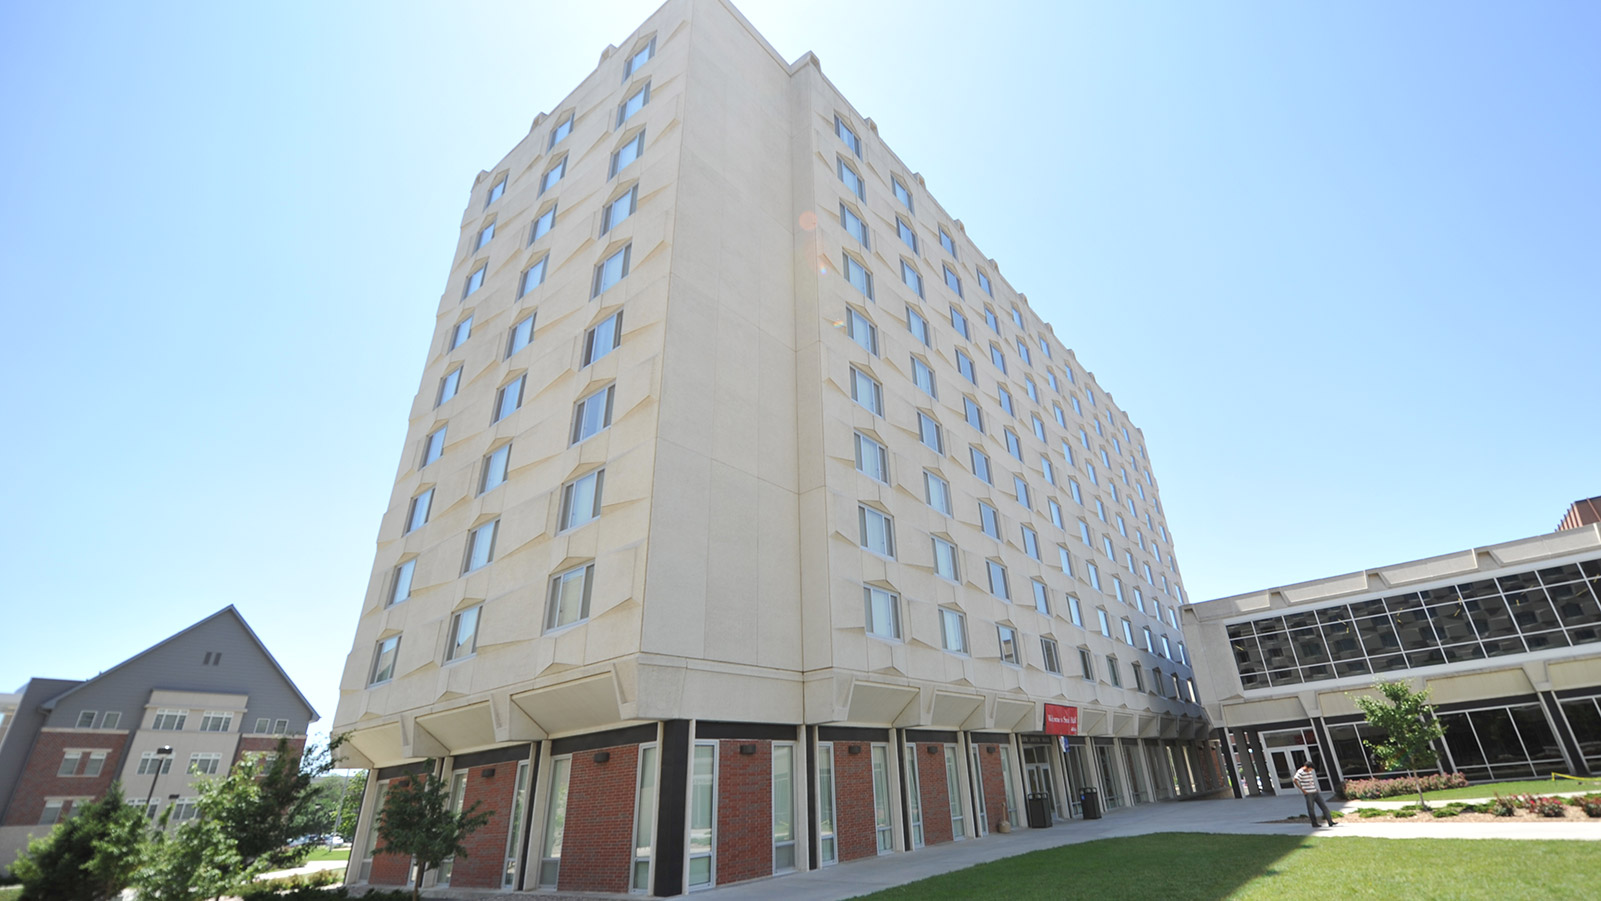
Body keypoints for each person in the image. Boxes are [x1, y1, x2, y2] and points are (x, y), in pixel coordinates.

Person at [1294, 761, 1335, 827]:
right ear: (1307, 767)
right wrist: (1302, 790)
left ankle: (1330, 821)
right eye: (1310, 769)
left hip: (1315, 792)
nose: (1311, 770)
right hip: (1308, 793)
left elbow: (1311, 781)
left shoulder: (1309, 772)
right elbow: (1295, 780)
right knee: (1311, 808)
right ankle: (1314, 823)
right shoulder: (1300, 772)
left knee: (1323, 806)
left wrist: (1315, 788)